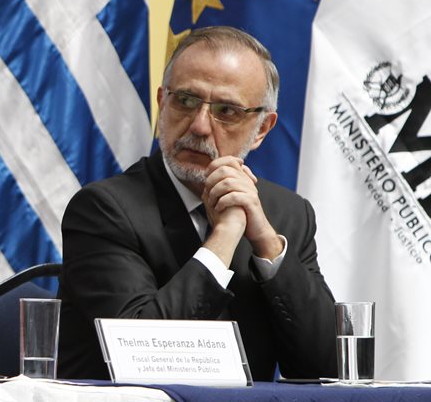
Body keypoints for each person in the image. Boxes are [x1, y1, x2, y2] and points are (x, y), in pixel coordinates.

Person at [57, 26, 336, 381]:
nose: (200, 126)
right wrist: (226, 233)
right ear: (161, 102)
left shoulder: (287, 215)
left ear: (263, 128)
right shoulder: (104, 209)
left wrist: (266, 242)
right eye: (186, 101)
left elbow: (328, 368)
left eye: (227, 111)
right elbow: (144, 360)